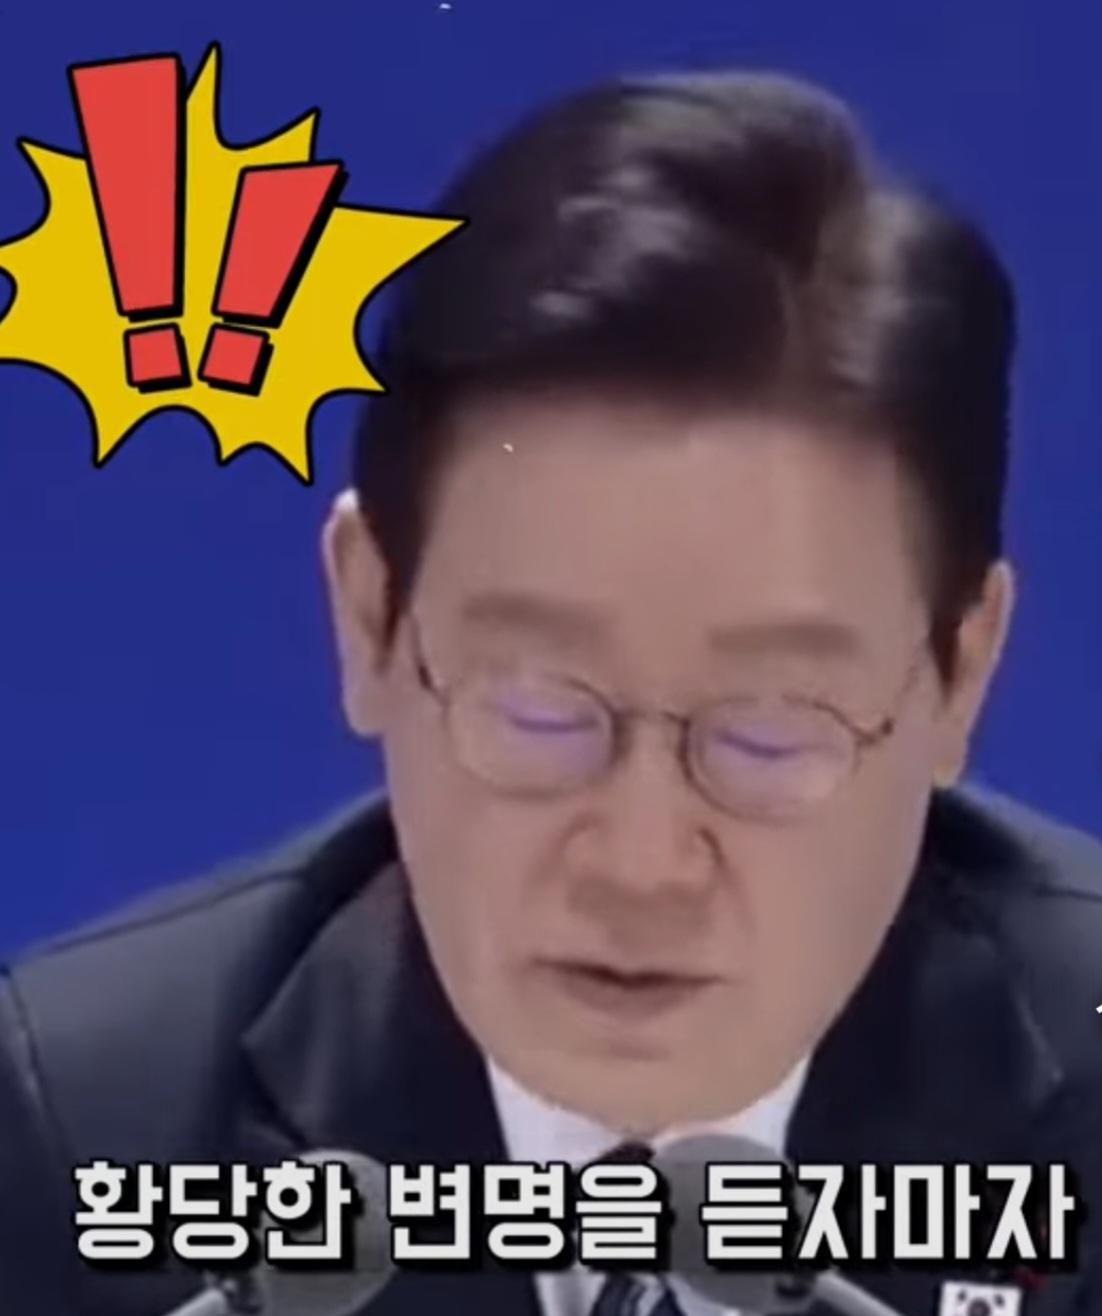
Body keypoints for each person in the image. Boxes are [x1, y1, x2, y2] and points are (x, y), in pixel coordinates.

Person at [2, 67, 1100, 1316]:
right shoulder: (83, 1129)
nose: (640, 866)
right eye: (539, 711)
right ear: (369, 621)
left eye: (767, 733)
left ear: (961, 673)